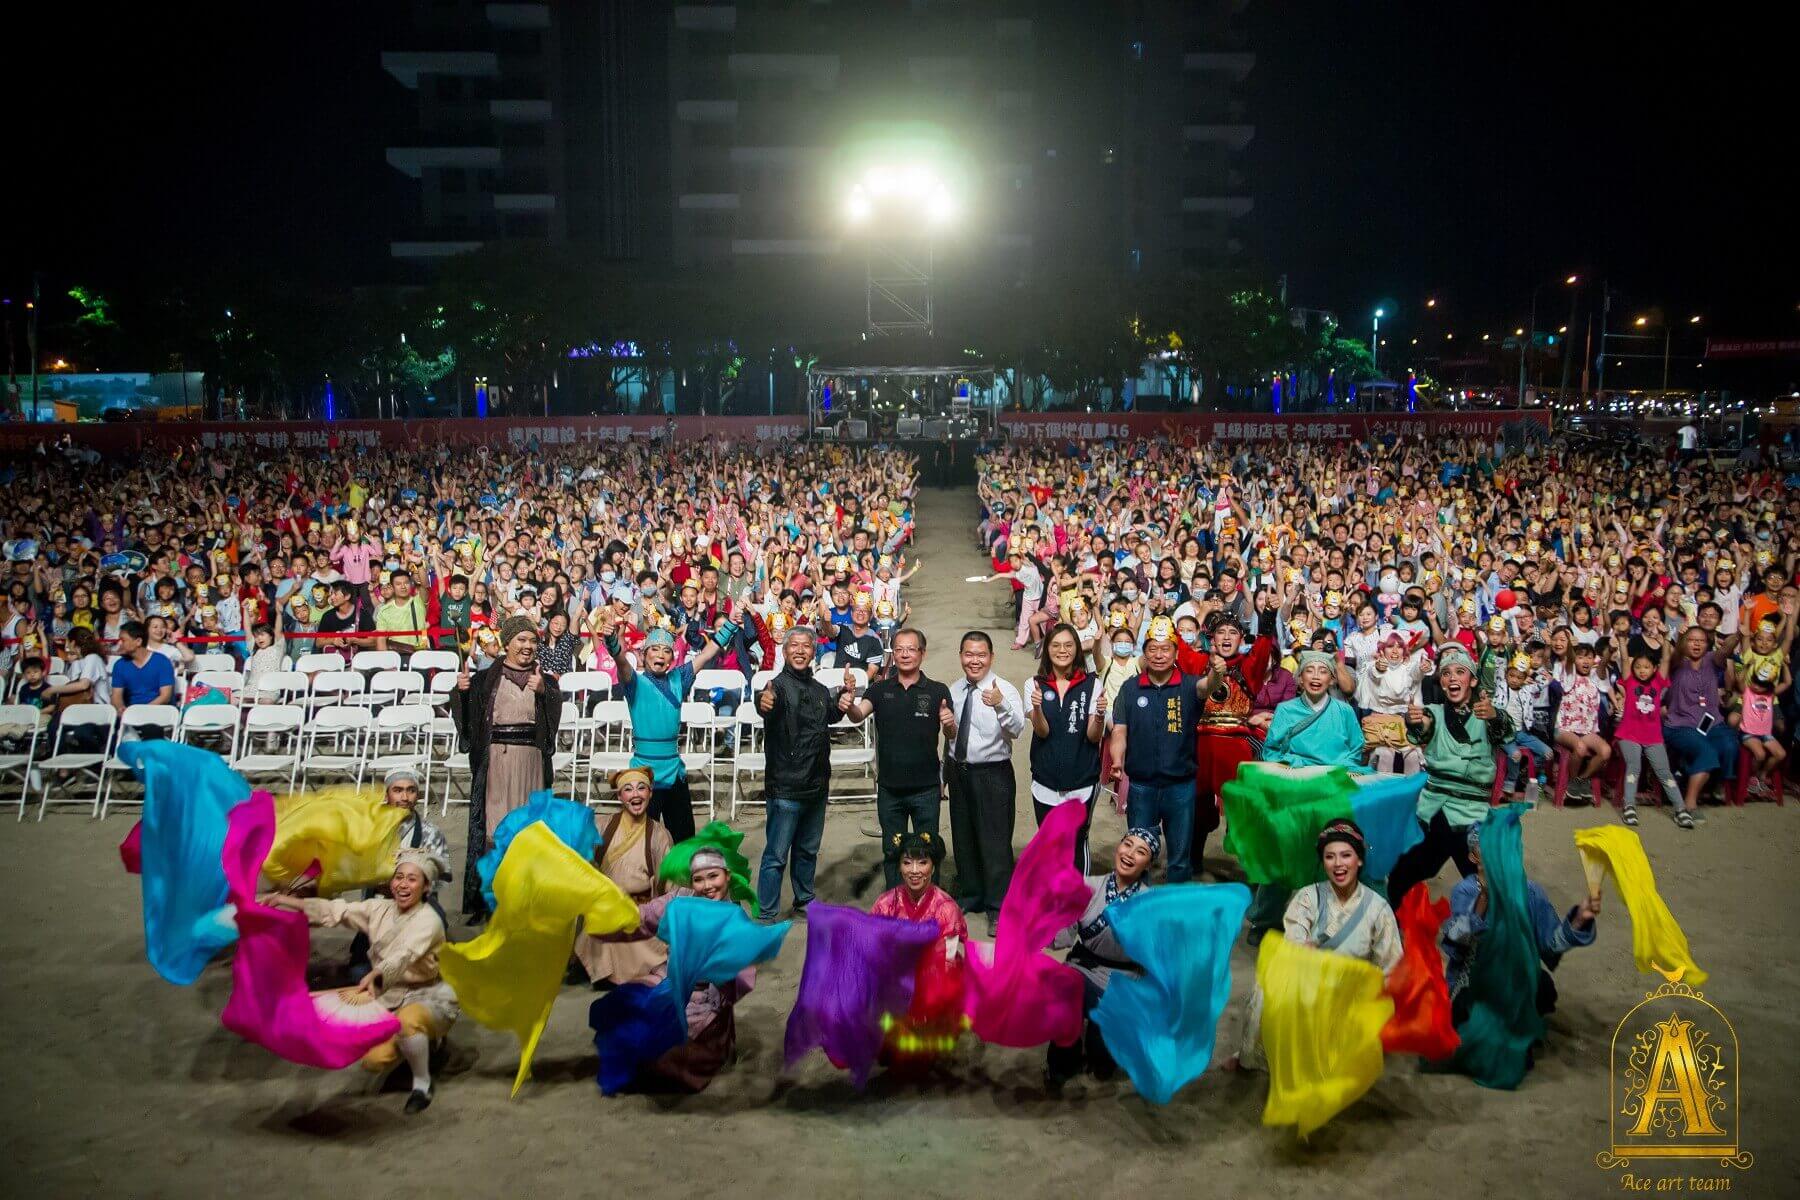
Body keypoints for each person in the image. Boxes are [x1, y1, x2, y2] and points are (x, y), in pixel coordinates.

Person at [264, 847, 458, 1114]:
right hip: (386, 994)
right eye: (399, 877)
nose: (403, 884)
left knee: (409, 1022)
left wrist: (377, 975)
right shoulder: (378, 908)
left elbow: (404, 955)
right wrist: (284, 901)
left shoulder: (430, 920)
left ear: (426, 887)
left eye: (412, 879)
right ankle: (417, 1046)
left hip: (426, 995)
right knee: (373, 1061)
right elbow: (337, 910)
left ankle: (422, 1083)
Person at [1228, 818, 1403, 1071]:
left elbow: (1391, 965)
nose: (1339, 864)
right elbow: (1295, 936)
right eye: (1330, 857)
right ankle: (1252, 1058)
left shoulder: (1378, 909)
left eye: (1346, 855)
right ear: (1323, 862)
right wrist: (1302, 950)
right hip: (1312, 982)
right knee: (1267, 984)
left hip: (1354, 991)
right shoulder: (1309, 896)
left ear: (1360, 860)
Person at [448, 615, 561, 923]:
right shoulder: (487, 677)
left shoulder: (544, 680)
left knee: (530, 830)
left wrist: (544, 693)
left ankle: (527, 900)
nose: (527, 646)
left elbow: (554, 718)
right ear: (507, 643)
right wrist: (462, 693)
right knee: (494, 830)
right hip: (497, 760)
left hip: (531, 762)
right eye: (520, 640)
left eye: (532, 640)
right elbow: (469, 717)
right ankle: (489, 901)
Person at [624, 836, 759, 1092]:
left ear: (727, 876)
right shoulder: (683, 898)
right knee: (631, 1005)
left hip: (708, 1000)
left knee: (676, 1057)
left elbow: (740, 980)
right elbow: (649, 913)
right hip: (671, 980)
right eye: (699, 879)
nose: (707, 886)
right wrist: (619, 910)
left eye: (713, 876)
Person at [1386, 645, 1514, 904]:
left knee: (1488, 883)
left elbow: (1506, 732)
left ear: (1473, 680)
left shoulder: (1486, 713)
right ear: (1441, 682)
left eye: (1460, 672)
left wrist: (1495, 716)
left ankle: (1479, 936)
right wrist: (1416, 722)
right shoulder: (1433, 712)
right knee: (1402, 872)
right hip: (1433, 808)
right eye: (1446, 674)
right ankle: (1389, 923)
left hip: (1472, 813)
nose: (1452, 678)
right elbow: (1421, 730)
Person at [1442, 821, 1599, 1017]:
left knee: (1543, 988)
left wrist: (1577, 921)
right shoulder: (1465, 891)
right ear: (1473, 857)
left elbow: (1550, 946)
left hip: (1517, 977)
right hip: (1474, 978)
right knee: (1465, 1008)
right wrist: (1484, 899)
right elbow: (1457, 939)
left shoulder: (1531, 892)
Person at [1044, 828, 1158, 1090]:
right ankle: (1063, 1063)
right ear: (1118, 847)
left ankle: (1105, 1047)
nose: (1130, 854)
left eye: (1140, 851)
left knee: (1103, 1061)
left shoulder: (1152, 904)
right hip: (1084, 966)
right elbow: (1061, 938)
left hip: (1124, 979)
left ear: (1148, 864)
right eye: (1127, 845)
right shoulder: (1088, 886)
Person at [597, 608, 722, 843]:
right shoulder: (634, 682)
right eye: (655, 649)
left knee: (684, 839)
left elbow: (706, 655)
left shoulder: (679, 679)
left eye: (666, 651)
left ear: (672, 658)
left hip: (675, 771)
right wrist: (612, 641)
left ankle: (679, 881)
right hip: (644, 772)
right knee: (641, 840)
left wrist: (731, 626)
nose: (661, 655)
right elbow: (621, 660)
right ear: (644, 655)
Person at [841, 627, 953, 889]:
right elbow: (859, 714)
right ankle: (895, 906)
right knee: (892, 852)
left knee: (927, 851)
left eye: (911, 649)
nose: (905, 655)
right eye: (899, 649)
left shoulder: (937, 691)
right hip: (890, 789)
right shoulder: (880, 690)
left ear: (922, 654)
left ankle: (928, 906)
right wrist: (848, 703)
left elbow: (951, 732)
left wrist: (949, 724)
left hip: (926, 788)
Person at [944, 630, 1027, 933]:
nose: (974, 660)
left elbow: (1017, 729)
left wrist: (1001, 705)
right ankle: (972, 895)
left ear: (991, 656)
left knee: (995, 841)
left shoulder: (1004, 688)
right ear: (961, 656)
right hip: (959, 771)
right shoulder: (954, 689)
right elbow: (951, 736)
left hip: (993, 773)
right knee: (963, 837)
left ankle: (998, 905)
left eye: (981, 655)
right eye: (969, 654)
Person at [1109, 617, 1202, 883]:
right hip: (1141, 786)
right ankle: (1141, 910)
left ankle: (1176, 915)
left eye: (1165, 649)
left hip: (1180, 785)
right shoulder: (1130, 688)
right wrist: (1117, 758)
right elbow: (1119, 730)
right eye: (1152, 649)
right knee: (1138, 858)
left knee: (1180, 859)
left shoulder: (1189, 685)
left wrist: (1217, 673)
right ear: (1144, 652)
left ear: (1175, 652)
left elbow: (1209, 687)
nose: (1158, 655)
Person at [754, 626, 834, 920]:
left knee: (807, 851)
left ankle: (805, 900)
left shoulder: (820, 690)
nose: (800, 651)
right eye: (794, 646)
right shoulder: (775, 687)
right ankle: (767, 912)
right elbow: (765, 703)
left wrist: (846, 697)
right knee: (776, 856)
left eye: (806, 646)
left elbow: (833, 712)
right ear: (784, 651)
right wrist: (763, 702)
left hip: (816, 786)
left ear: (814, 652)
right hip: (786, 787)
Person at [575, 767, 674, 987]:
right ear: (620, 796)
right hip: (604, 913)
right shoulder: (602, 826)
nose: (635, 795)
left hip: (639, 915)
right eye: (628, 790)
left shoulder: (659, 835)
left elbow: (670, 884)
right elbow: (581, 864)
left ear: (650, 794)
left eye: (641, 788)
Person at [1026, 623, 1105, 871]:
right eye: (1056, 645)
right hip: (1045, 778)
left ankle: (1078, 904)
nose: (1063, 651)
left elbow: (1093, 737)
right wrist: (1036, 709)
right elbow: (1042, 731)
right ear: (1047, 649)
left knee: (1076, 842)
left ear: (1077, 650)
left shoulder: (1092, 684)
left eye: (1069, 645)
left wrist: (1100, 716)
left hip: (1081, 780)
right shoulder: (1035, 684)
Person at [110, 620, 176, 715]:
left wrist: (143, 712)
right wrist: (121, 709)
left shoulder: (162, 661)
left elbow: (165, 697)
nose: (119, 643)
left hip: (158, 712)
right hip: (131, 713)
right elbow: (116, 696)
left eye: (123, 640)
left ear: (138, 641)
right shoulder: (119, 665)